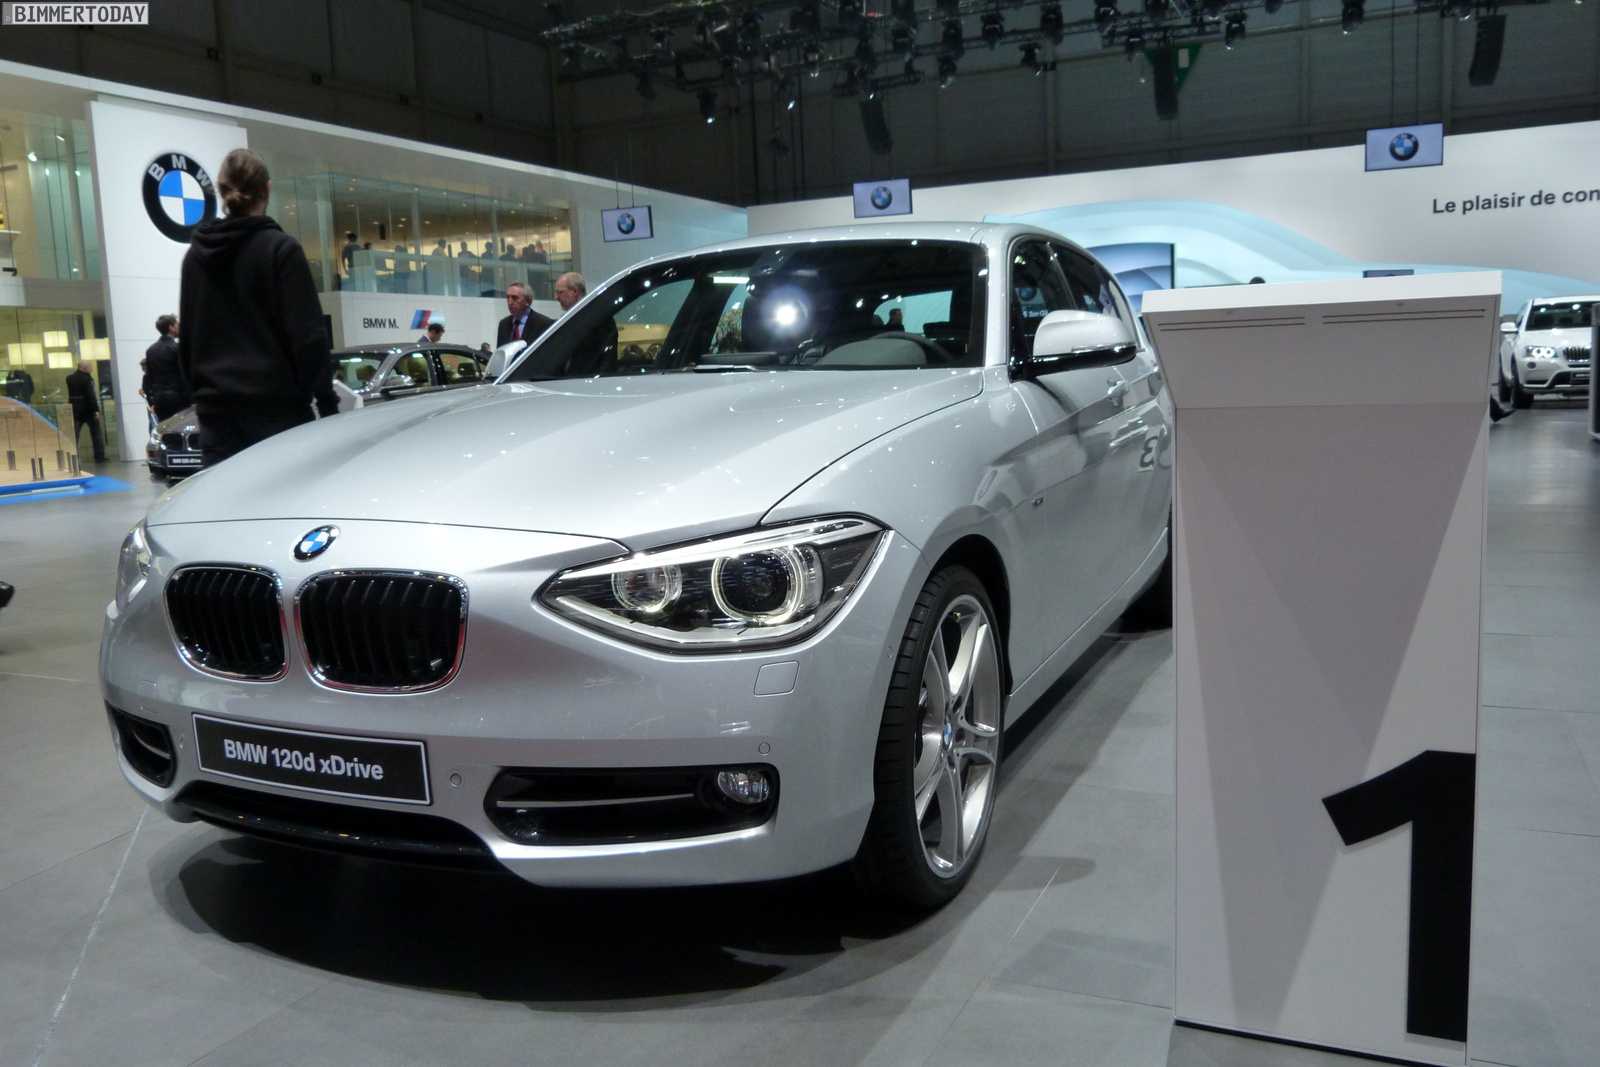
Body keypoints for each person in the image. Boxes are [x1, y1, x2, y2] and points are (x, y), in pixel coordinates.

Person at [178, 148, 339, 468]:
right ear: (267, 189)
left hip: (217, 418)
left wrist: (201, 395)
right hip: (278, 414)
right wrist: (326, 403)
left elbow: (188, 341)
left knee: (226, 499)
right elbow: (308, 337)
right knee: (285, 498)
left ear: (222, 192)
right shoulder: (281, 250)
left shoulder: (195, 258)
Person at [144, 313, 190, 421]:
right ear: (171, 327)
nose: (179, 328)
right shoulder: (177, 348)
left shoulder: (151, 350)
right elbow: (185, 373)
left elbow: (150, 376)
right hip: (178, 397)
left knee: (165, 427)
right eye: (177, 325)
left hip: (159, 398)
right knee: (181, 425)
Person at [65, 358, 107, 463]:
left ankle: (72, 457)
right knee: (96, 433)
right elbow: (91, 395)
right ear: (85, 368)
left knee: (74, 435)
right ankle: (99, 456)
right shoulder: (87, 379)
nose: (91, 369)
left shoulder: (69, 378)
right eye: (90, 367)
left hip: (75, 409)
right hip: (88, 410)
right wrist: (95, 409)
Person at [496, 281, 554, 347]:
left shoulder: (543, 324)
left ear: (528, 301)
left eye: (515, 298)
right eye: (508, 298)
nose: (510, 303)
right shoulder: (504, 324)